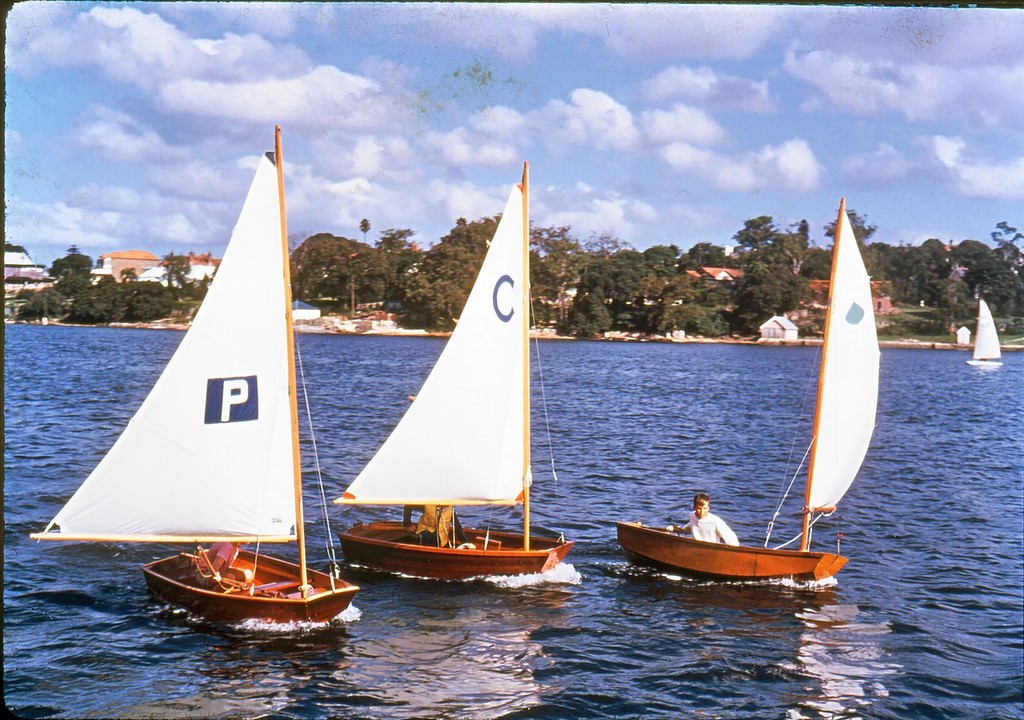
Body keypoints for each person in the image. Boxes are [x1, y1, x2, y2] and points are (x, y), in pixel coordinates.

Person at [668, 493, 739, 546]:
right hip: (696, 547)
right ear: (694, 507)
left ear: (708, 508)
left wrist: (735, 551)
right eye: (699, 508)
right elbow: (692, 525)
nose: (702, 511)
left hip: (712, 549)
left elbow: (730, 537)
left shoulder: (715, 521)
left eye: (704, 508)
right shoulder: (692, 515)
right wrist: (681, 530)